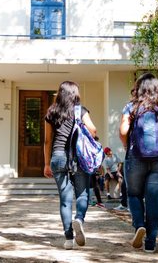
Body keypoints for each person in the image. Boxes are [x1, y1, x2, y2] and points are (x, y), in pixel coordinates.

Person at [119, 72, 158, 253]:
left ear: (138, 87)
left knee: (133, 195)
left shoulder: (131, 107)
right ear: (157, 89)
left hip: (135, 158)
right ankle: (151, 243)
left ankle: (139, 225)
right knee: (153, 200)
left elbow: (123, 131)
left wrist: (127, 145)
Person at [43, 81, 98, 250]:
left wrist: (46, 164)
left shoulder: (52, 112)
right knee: (82, 194)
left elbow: (47, 140)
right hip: (78, 156)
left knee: (65, 200)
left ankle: (68, 239)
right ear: (75, 93)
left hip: (58, 156)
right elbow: (93, 131)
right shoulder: (80, 110)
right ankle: (79, 219)